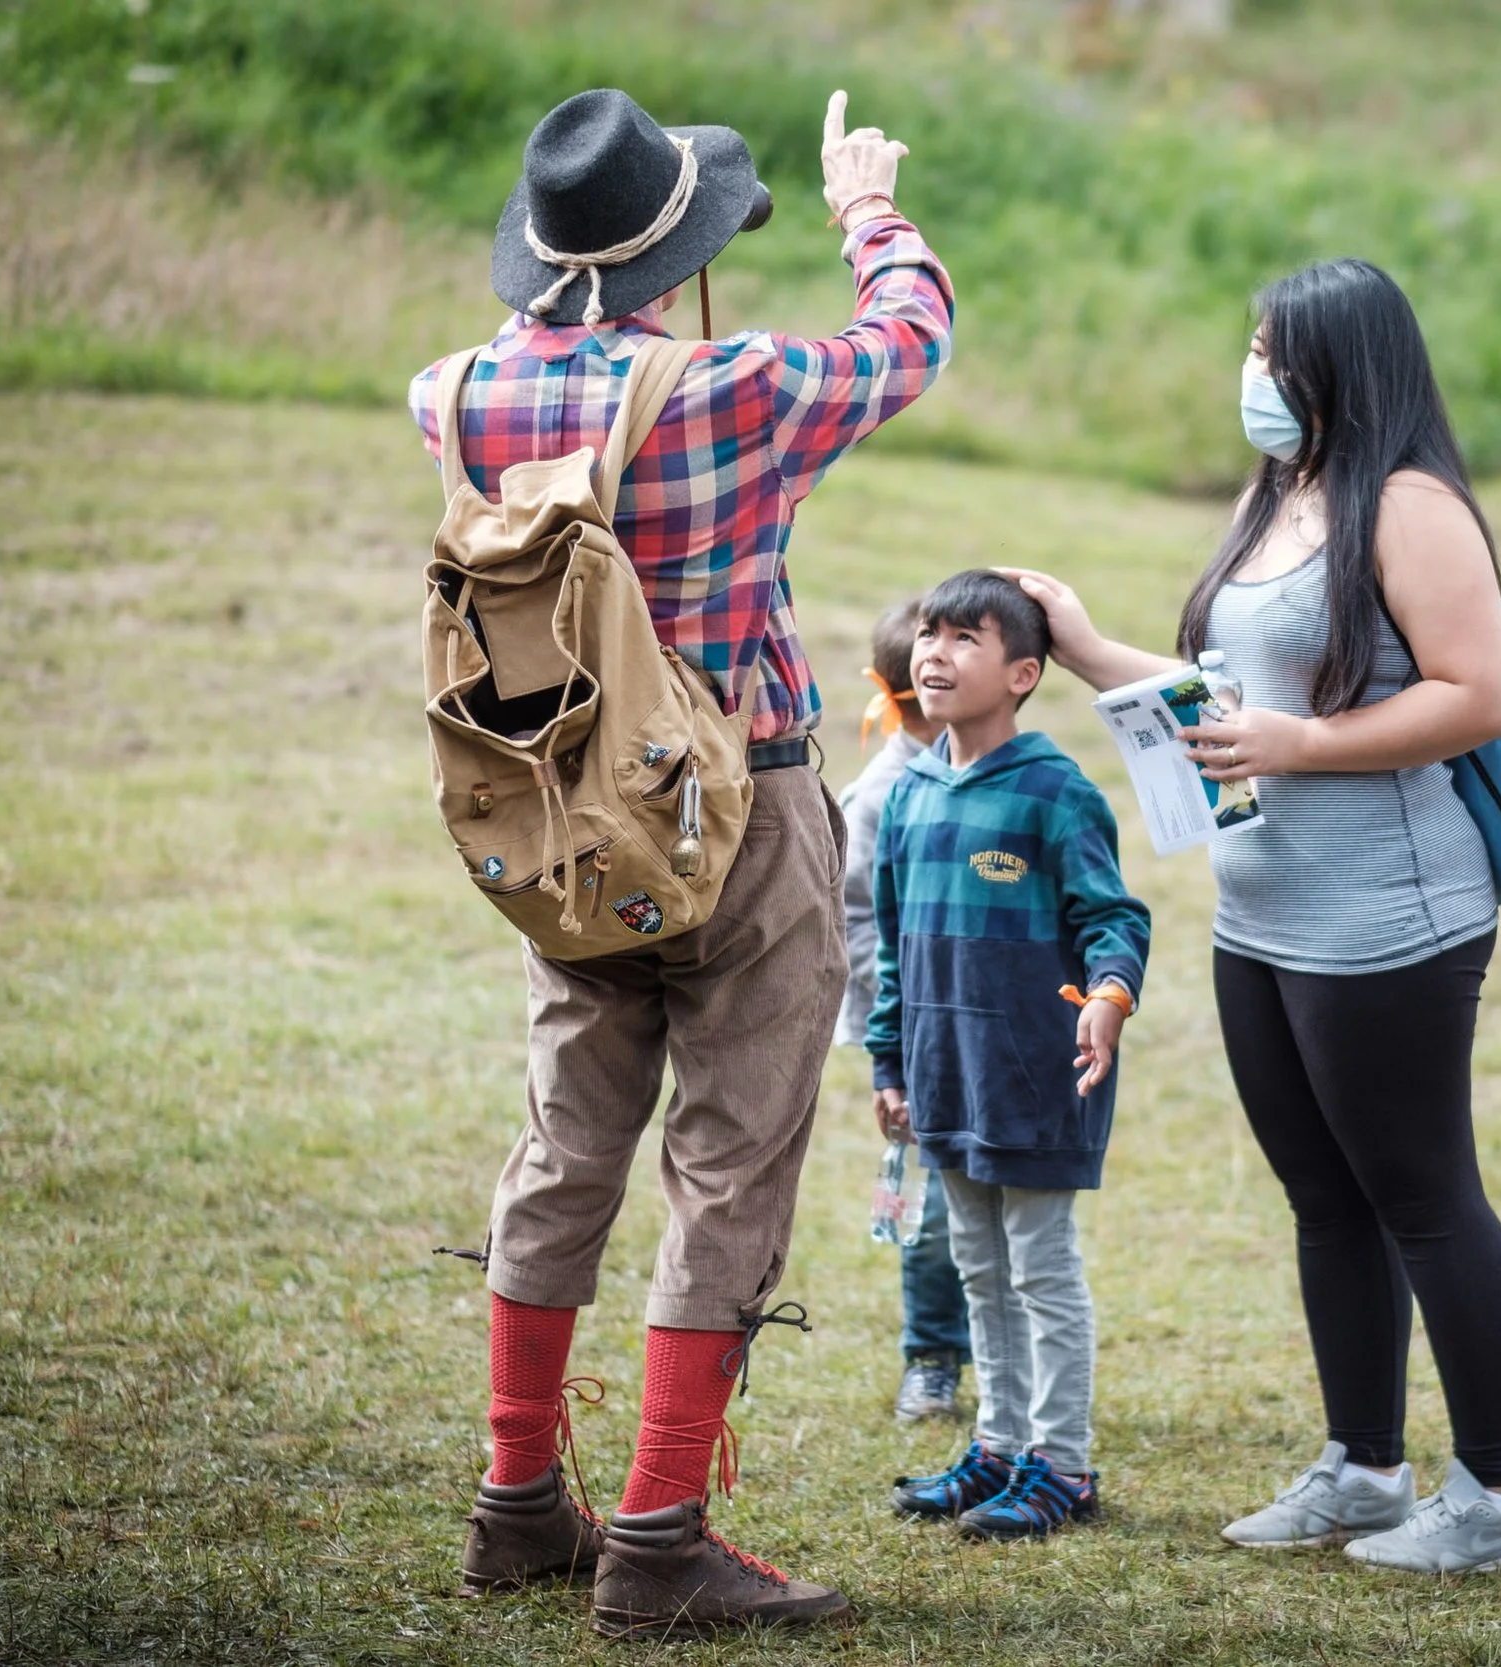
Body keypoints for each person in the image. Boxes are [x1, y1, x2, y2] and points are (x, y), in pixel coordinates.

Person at [409, 86, 951, 1638]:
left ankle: (518, 1500)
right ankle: (657, 1537)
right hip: (743, 813)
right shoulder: (739, 387)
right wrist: (868, 208)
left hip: (564, 825)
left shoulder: (450, 396)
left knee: (564, 1140)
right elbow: (911, 337)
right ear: (677, 255)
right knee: (728, 1162)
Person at [1007, 258, 1501, 1574]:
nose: (1253, 368)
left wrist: (1303, 743)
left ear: (1337, 363)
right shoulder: (1282, 488)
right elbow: (1235, 695)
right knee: (1325, 1195)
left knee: (1424, 1194)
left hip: (1388, 913)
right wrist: (1088, 649)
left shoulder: (1411, 505)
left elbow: (1479, 694)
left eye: (1272, 348)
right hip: (1260, 907)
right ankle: (1364, 1467)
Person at [870, 572, 1151, 1540]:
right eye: (928, 633)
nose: (935, 653)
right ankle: (999, 1448)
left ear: (1023, 673)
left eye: (965, 638)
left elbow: (1114, 916)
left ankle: (1062, 1465)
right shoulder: (908, 793)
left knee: (1038, 1269)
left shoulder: (1054, 791)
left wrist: (1110, 994)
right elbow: (893, 947)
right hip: (945, 1072)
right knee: (978, 1268)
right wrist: (890, 1063)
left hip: (1035, 1073)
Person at [835, 597, 976, 1424]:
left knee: (994, 1193)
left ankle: (999, 1346)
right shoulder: (881, 796)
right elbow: (852, 917)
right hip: (918, 1031)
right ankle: (932, 1356)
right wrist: (906, 1004)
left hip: (991, 1025)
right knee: (933, 1206)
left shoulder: (995, 773)